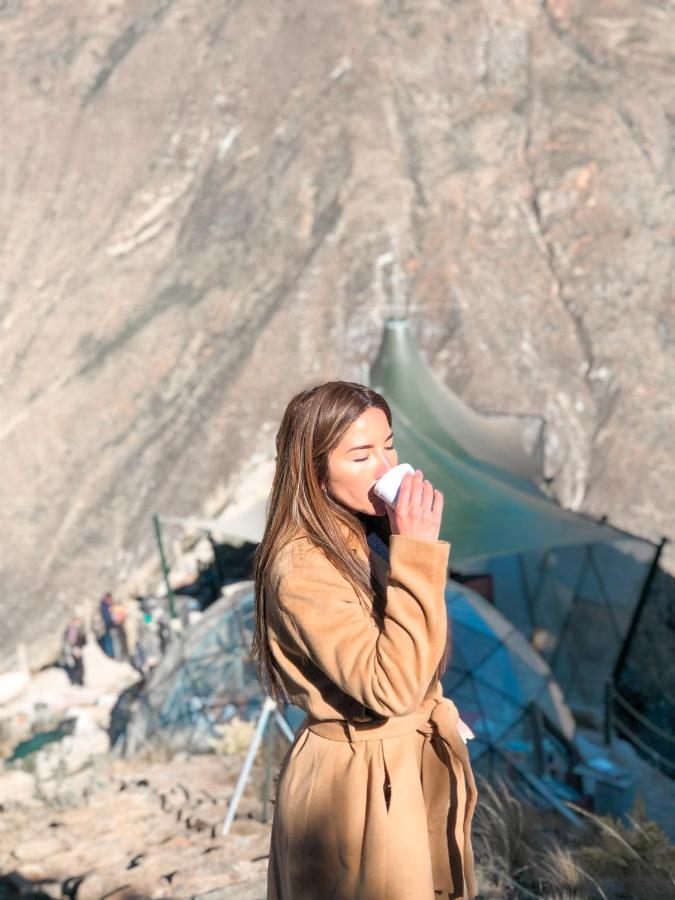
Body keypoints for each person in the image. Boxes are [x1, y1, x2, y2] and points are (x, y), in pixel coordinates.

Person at [252, 382, 478, 900]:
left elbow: (404, 664)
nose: (384, 467)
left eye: (389, 446)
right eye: (360, 455)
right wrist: (417, 552)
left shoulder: (366, 535)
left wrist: (430, 704)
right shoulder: (303, 562)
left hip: (396, 767)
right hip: (357, 789)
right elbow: (389, 688)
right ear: (314, 471)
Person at [62, 613, 86, 686]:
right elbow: (71, 641)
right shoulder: (72, 629)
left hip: (77, 649)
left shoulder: (76, 629)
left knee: (79, 666)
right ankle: (77, 681)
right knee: (77, 666)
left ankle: (79, 681)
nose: (78, 623)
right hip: (75, 650)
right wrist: (75, 649)